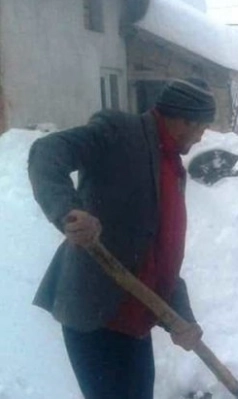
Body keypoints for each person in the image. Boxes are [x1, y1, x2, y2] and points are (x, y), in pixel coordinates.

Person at [27, 78, 214, 399]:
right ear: (185, 121)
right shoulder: (119, 131)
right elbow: (47, 152)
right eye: (201, 128)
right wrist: (69, 211)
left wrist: (182, 319)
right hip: (95, 315)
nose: (201, 137)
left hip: (134, 321)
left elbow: (160, 253)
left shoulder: (172, 165)